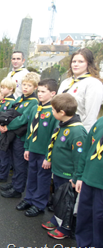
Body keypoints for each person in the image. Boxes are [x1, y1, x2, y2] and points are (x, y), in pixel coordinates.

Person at [41, 93, 87, 240]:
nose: (51, 112)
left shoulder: (77, 132)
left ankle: (65, 228)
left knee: (68, 202)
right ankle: (57, 218)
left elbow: (79, 158)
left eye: (53, 110)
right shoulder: (64, 125)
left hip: (68, 175)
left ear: (61, 112)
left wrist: (76, 177)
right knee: (59, 198)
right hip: (59, 172)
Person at [16, 79, 59, 217]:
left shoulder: (54, 112)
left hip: (44, 152)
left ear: (53, 93)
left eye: (43, 92)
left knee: (43, 179)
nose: (39, 94)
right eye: (38, 91)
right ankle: (29, 198)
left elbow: (54, 136)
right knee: (32, 175)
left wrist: (49, 156)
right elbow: (30, 130)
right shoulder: (36, 108)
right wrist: (27, 147)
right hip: (33, 149)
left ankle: (39, 204)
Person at [63, 116, 103, 248]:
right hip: (89, 180)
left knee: (100, 224)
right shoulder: (100, 121)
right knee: (84, 220)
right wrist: (79, 176)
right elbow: (86, 151)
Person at [0, 72, 40, 198]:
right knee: (14, 161)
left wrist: (8, 126)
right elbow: (12, 111)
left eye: (29, 85)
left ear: (35, 88)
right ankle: (14, 182)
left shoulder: (33, 102)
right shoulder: (21, 98)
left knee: (20, 163)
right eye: (24, 84)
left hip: (21, 136)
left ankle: (18, 189)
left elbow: (23, 119)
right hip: (13, 135)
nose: (25, 87)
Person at [58, 48, 103, 132]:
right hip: (61, 128)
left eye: (80, 62)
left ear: (88, 64)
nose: (76, 64)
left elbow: (91, 115)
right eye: (74, 61)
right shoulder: (66, 83)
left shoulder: (93, 84)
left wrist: (83, 135)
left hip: (78, 130)